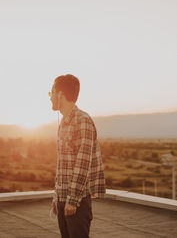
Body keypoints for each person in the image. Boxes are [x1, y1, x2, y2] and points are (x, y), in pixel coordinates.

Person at [49, 74, 106, 238]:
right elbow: (63, 165)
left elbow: (82, 163)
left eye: (51, 93)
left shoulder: (83, 121)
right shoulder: (64, 122)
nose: (50, 97)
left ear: (60, 95)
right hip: (62, 199)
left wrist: (72, 200)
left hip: (77, 202)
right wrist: (56, 197)